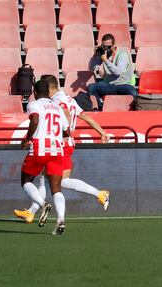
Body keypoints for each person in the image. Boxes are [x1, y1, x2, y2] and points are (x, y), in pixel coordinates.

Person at [14, 75, 111, 227]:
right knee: (45, 178)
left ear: (49, 89)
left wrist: (60, 133)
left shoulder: (57, 102)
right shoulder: (70, 100)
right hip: (65, 143)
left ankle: (99, 194)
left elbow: (63, 115)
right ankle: (32, 212)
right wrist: (102, 132)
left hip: (58, 143)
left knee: (56, 181)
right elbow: (84, 116)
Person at [15, 79, 70, 235]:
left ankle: (42, 204)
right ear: (49, 92)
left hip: (40, 147)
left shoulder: (34, 104)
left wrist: (28, 138)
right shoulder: (57, 108)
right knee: (56, 189)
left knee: (26, 180)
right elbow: (67, 132)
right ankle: (61, 220)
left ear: (35, 93)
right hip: (57, 149)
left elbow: (35, 119)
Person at [87, 33, 137, 110]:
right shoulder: (103, 53)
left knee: (133, 92)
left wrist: (105, 60)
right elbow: (91, 69)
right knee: (91, 87)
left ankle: (135, 111)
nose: (106, 48)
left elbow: (118, 72)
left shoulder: (122, 54)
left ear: (114, 45)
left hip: (123, 84)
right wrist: (95, 56)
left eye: (108, 46)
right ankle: (98, 108)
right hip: (109, 84)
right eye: (104, 46)